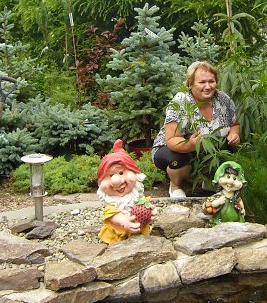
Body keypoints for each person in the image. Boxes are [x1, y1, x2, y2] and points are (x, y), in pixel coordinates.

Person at [152, 61, 240, 198]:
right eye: (202, 82)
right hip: (174, 149)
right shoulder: (181, 101)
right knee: (178, 159)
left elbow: (234, 123)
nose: (208, 86)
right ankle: (175, 186)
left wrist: (234, 134)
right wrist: (190, 145)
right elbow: (172, 139)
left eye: (211, 81)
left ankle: (209, 179)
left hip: (210, 150)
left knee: (228, 151)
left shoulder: (223, 99)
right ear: (191, 83)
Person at [96, 139, 157, 244]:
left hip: (140, 235)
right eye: (110, 175)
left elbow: (147, 208)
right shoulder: (111, 206)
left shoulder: (138, 197)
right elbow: (114, 216)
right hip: (117, 237)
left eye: (121, 172)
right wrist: (125, 223)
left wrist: (151, 214)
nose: (116, 181)